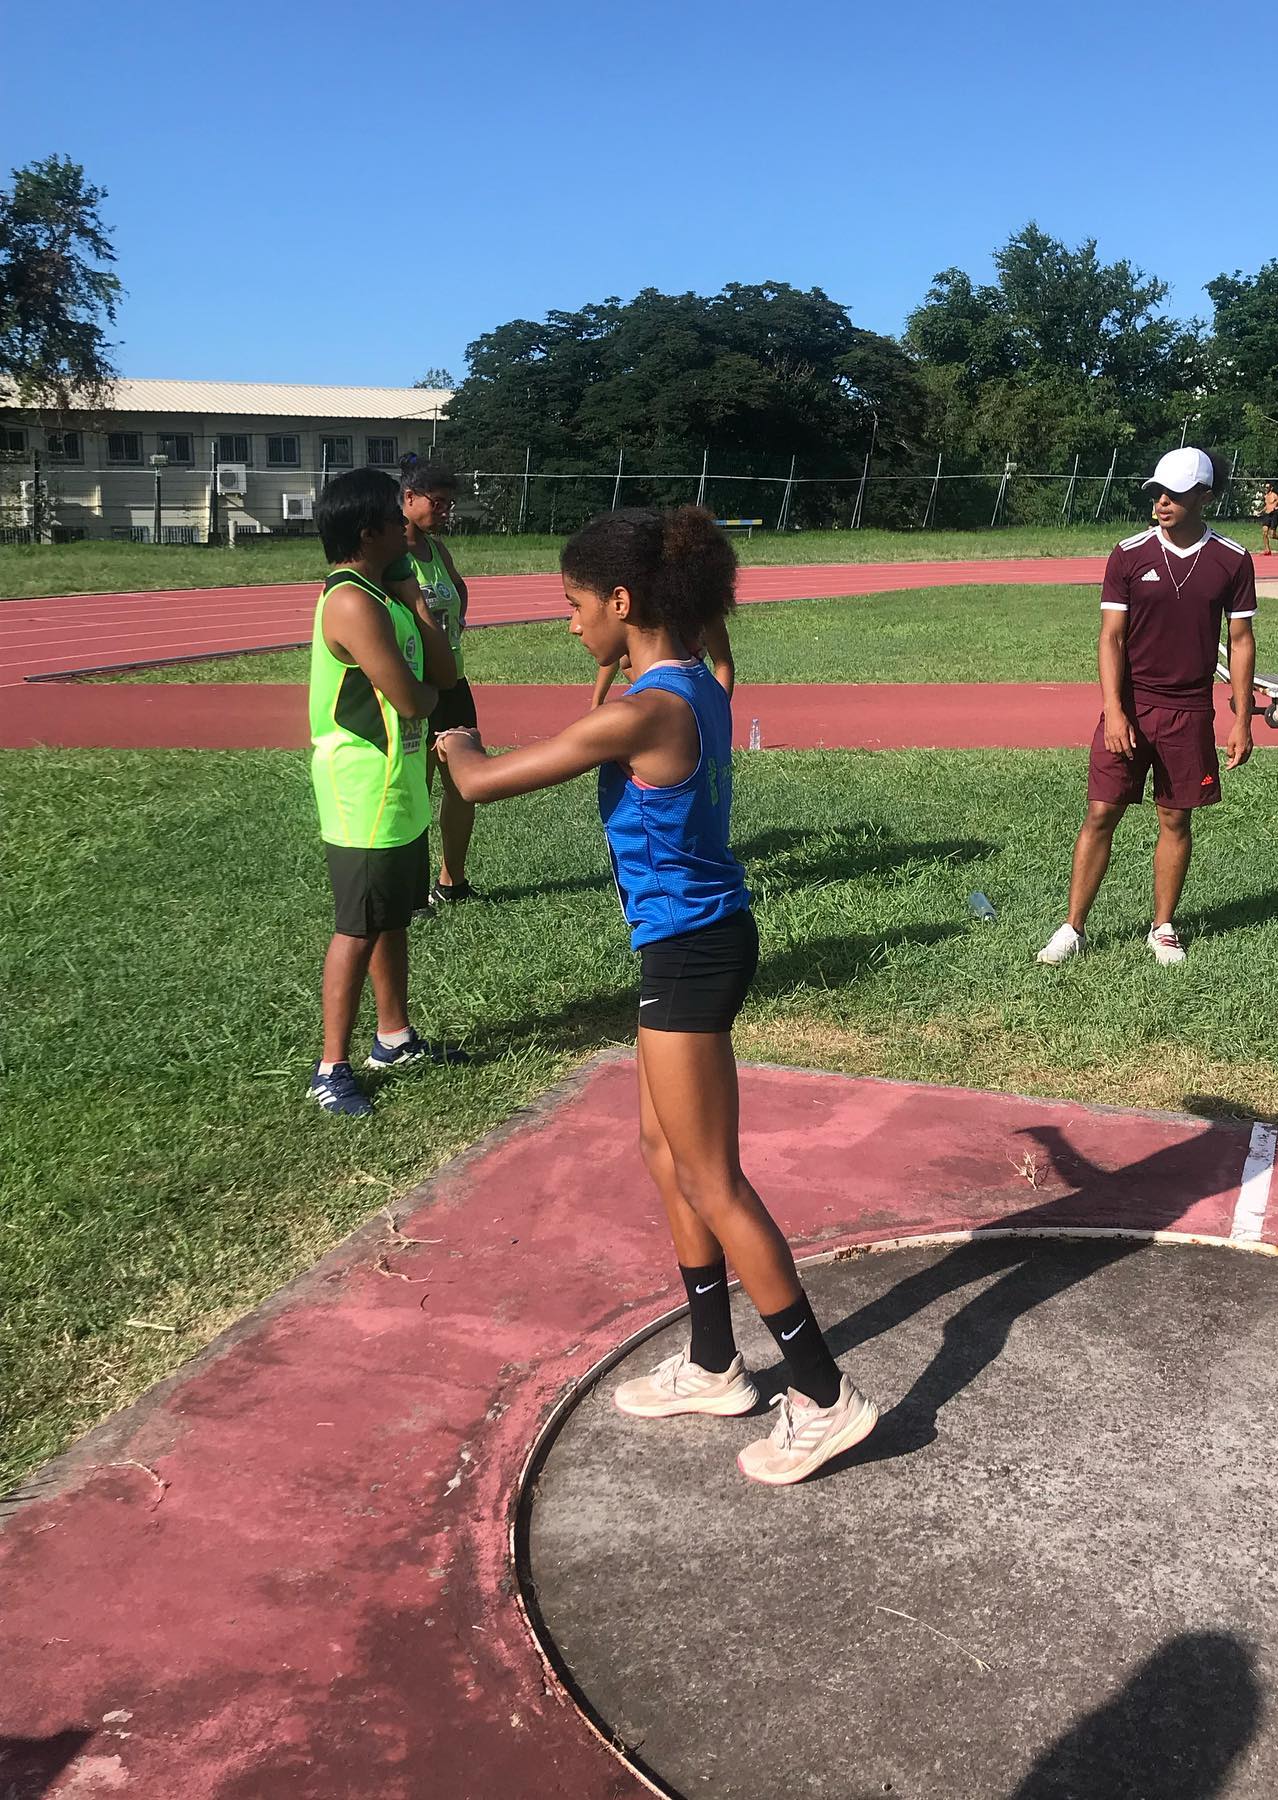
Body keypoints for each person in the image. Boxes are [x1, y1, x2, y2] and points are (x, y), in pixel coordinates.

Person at [436, 505, 879, 1485]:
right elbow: (706, 646)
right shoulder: (695, 683)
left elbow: (482, 784)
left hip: (690, 950)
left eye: (574, 605)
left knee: (713, 1177)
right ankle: (717, 1363)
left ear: (623, 602)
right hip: (688, 944)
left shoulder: (644, 710)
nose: (569, 623)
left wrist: (450, 733)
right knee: (661, 1150)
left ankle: (822, 1393)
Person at [1037, 447, 1257, 969]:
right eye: (1157, 492)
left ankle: (1162, 928)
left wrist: (1243, 719)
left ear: (1204, 497)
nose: (1161, 502)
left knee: (1175, 817)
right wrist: (1114, 712)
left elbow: (1242, 639)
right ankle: (1073, 928)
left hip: (1190, 711)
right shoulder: (1129, 554)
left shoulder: (1232, 559)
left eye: (1174, 495)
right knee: (1100, 812)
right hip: (1132, 706)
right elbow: (1110, 638)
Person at [306, 468, 469, 1117]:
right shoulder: (348, 600)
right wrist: (426, 697)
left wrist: (415, 597)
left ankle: (393, 1038)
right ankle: (330, 1067)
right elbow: (414, 695)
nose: (408, 528)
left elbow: (447, 672)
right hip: (359, 788)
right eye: (394, 520)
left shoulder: (391, 594)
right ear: (369, 530)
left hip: (395, 784)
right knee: (357, 926)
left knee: (393, 916)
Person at [391, 462, 481, 906]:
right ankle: (411, 892)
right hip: (415, 688)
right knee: (416, 791)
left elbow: (458, 586)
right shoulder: (391, 555)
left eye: (449, 503)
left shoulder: (436, 550)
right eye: (437, 502)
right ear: (408, 498)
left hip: (454, 683)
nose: (445, 510)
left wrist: (456, 619)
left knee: (463, 784)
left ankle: (452, 882)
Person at [589, 613, 735, 709]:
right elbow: (615, 654)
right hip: (645, 702)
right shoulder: (639, 607)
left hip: (689, 702)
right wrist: (596, 702)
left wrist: (719, 709)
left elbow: (723, 664)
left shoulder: (706, 613)